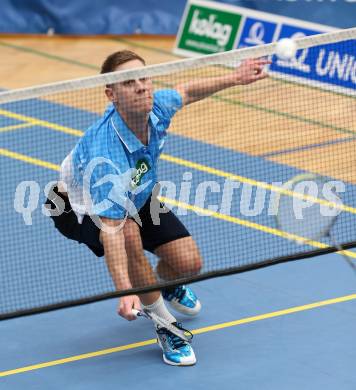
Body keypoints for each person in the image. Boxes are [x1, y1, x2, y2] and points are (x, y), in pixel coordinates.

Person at [45, 50, 269, 366]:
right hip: (76, 209)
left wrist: (236, 77)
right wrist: (125, 291)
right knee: (129, 234)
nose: (141, 87)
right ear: (111, 94)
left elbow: (187, 91)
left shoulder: (156, 108)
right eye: (129, 83)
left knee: (189, 263)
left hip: (137, 194)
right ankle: (165, 326)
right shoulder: (106, 154)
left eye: (144, 78)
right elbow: (112, 231)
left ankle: (165, 286)